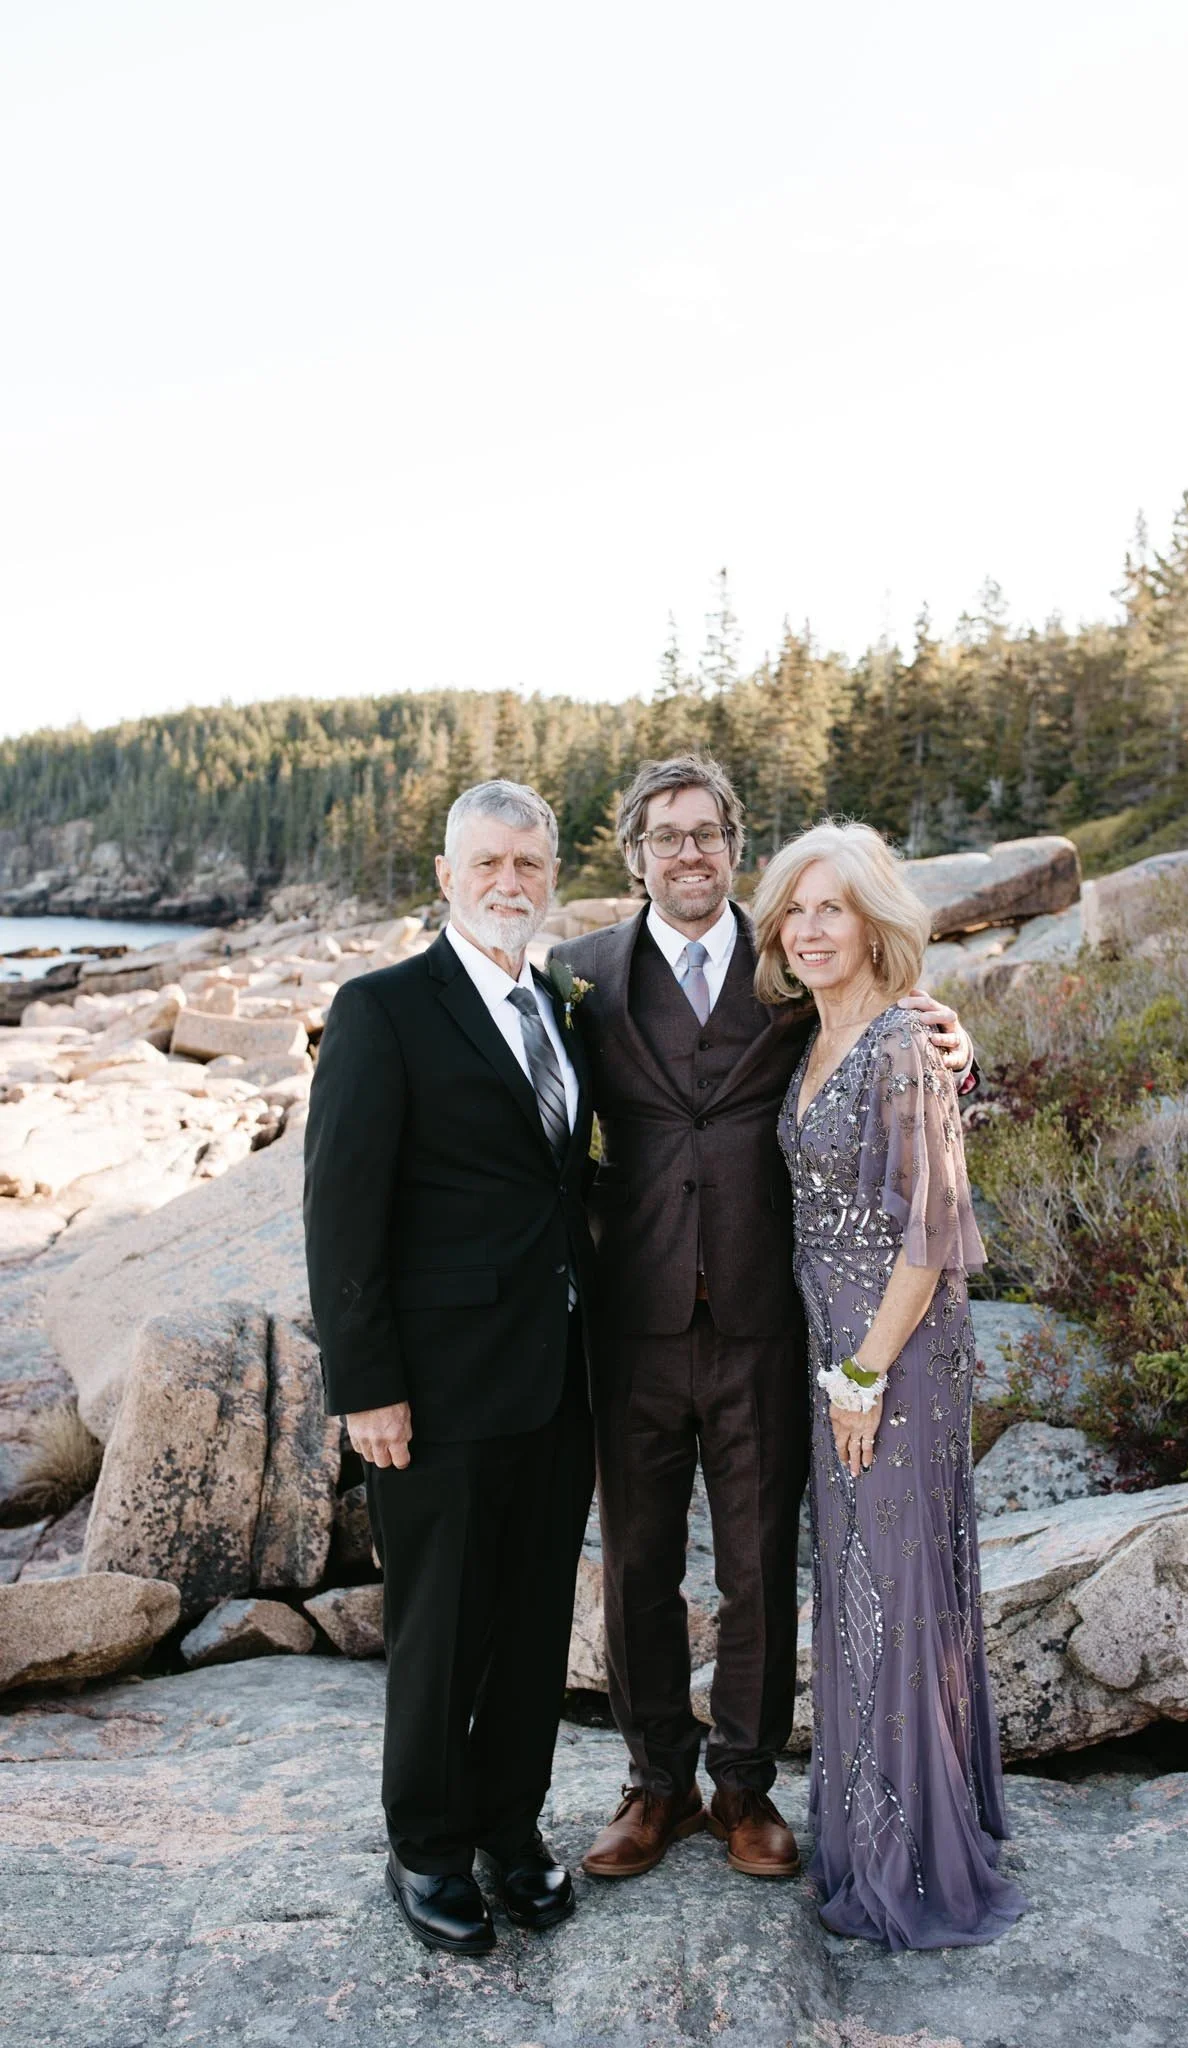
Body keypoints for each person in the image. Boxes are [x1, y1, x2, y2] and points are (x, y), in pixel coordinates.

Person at [549, 757, 975, 1884]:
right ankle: (655, 1783)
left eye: (708, 833)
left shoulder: (789, 963)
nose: (689, 852)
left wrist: (955, 1039)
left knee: (755, 1566)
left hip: (764, 1321)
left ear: (735, 845)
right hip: (628, 1321)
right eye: (666, 835)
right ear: (631, 852)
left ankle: (743, 1786)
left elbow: (883, 1029)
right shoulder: (577, 974)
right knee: (637, 1562)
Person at [302, 779, 596, 1957]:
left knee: (530, 1623)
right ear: (446, 875)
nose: (509, 883)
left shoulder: (563, 1003)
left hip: (561, 1374)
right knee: (438, 1626)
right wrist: (365, 1382)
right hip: (433, 1387)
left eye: (528, 864)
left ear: (549, 872)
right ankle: (425, 1843)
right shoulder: (383, 1009)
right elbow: (341, 1211)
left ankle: (507, 1826)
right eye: (487, 865)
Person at [751, 819, 1027, 1950]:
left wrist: (863, 1373)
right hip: (836, 1350)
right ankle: (878, 1826)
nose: (811, 929)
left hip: (892, 1355)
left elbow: (929, 1234)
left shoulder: (905, 1043)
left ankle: (915, 1857)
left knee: (897, 1585)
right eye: (794, 910)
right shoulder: (811, 1037)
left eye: (833, 907)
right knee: (860, 1586)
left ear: (875, 920)